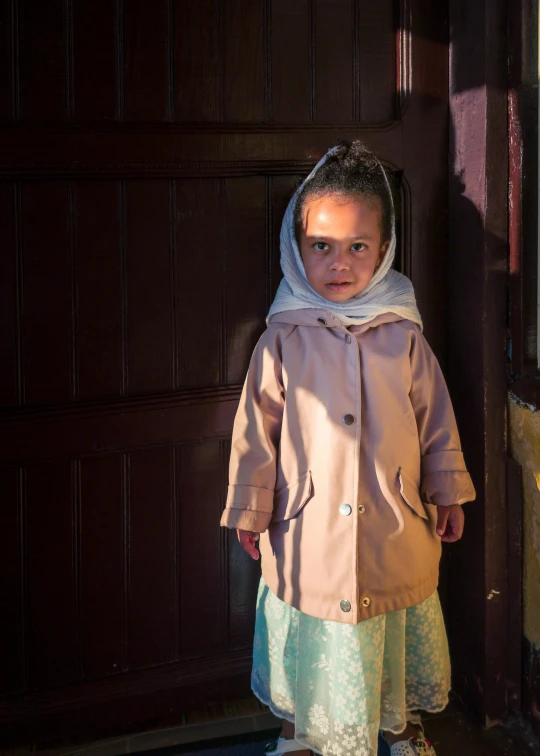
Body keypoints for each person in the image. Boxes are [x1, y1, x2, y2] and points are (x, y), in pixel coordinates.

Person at [220, 140, 476, 756]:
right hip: (308, 532)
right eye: (322, 247)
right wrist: (250, 510)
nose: (340, 263)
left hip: (393, 527)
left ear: (383, 251)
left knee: (387, 635)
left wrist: (447, 492)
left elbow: (436, 420)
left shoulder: (403, 336)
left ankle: (402, 726)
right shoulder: (281, 339)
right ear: (296, 248)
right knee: (313, 644)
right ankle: (298, 732)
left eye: (358, 246)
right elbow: (255, 432)